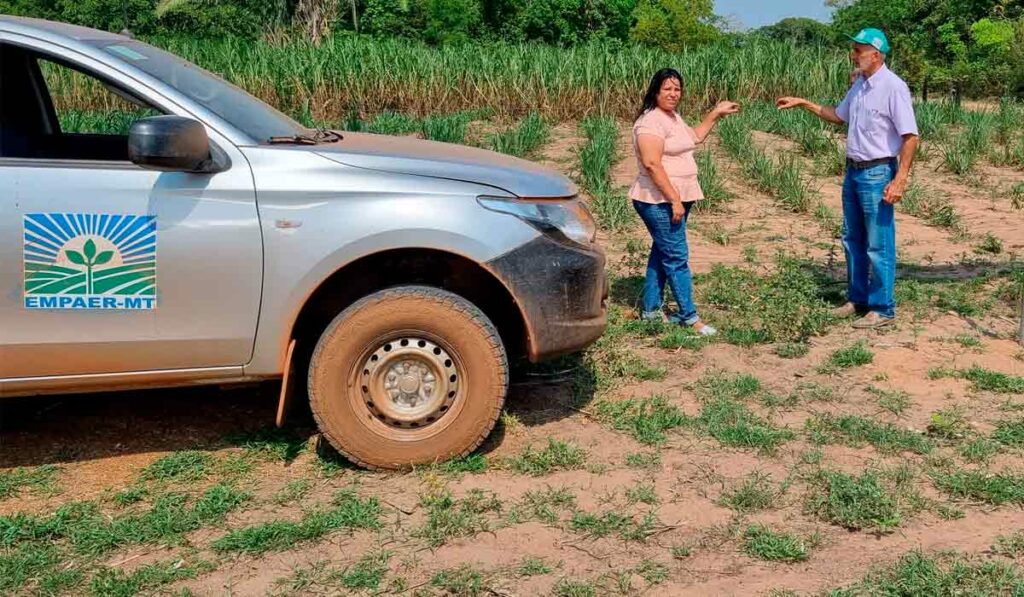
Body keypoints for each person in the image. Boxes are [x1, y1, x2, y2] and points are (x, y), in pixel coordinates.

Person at [777, 28, 919, 329]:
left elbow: (910, 137)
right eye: (854, 49)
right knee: (852, 239)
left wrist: (901, 179)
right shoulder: (860, 86)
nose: (853, 55)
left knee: (878, 244)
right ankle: (858, 299)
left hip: (878, 172)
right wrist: (804, 103)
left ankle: (883, 309)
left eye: (859, 50)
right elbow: (839, 116)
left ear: (876, 54)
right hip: (854, 172)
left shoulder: (893, 87)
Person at [630, 68, 740, 335]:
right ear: (655, 91)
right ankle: (690, 317)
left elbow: (695, 137)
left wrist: (715, 113)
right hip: (658, 201)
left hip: (674, 199)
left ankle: (651, 311)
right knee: (677, 257)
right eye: (667, 88)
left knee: (663, 253)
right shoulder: (650, 123)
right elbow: (652, 164)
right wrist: (675, 200)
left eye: (677, 89)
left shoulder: (673, 118)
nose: (673, 93)